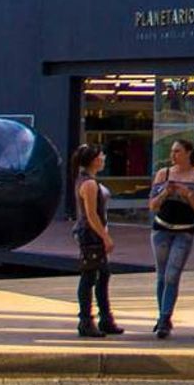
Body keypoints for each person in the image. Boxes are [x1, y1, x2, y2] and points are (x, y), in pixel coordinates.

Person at [147, 138, 194, 339]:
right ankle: (162, 315)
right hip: (161, 229)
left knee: (173, 274)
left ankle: (164, 318)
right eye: (172, 152)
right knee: (162, 275)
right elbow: (153, 205)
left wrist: (188, 194)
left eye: (178, 151)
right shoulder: (163, 174)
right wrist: (166, 192)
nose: (173, 155)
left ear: (189, 153)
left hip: (184, 230)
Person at [71, 143, 122, 339]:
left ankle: (105, 318)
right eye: (101, 156)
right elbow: (91, 215)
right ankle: (86, 320)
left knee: (102, 275)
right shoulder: (89, 184)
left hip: (92, 233)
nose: (104, 158)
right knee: (90, 276)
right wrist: (105, 236)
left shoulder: (85, 180)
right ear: (94, 160)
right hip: (91, 235)